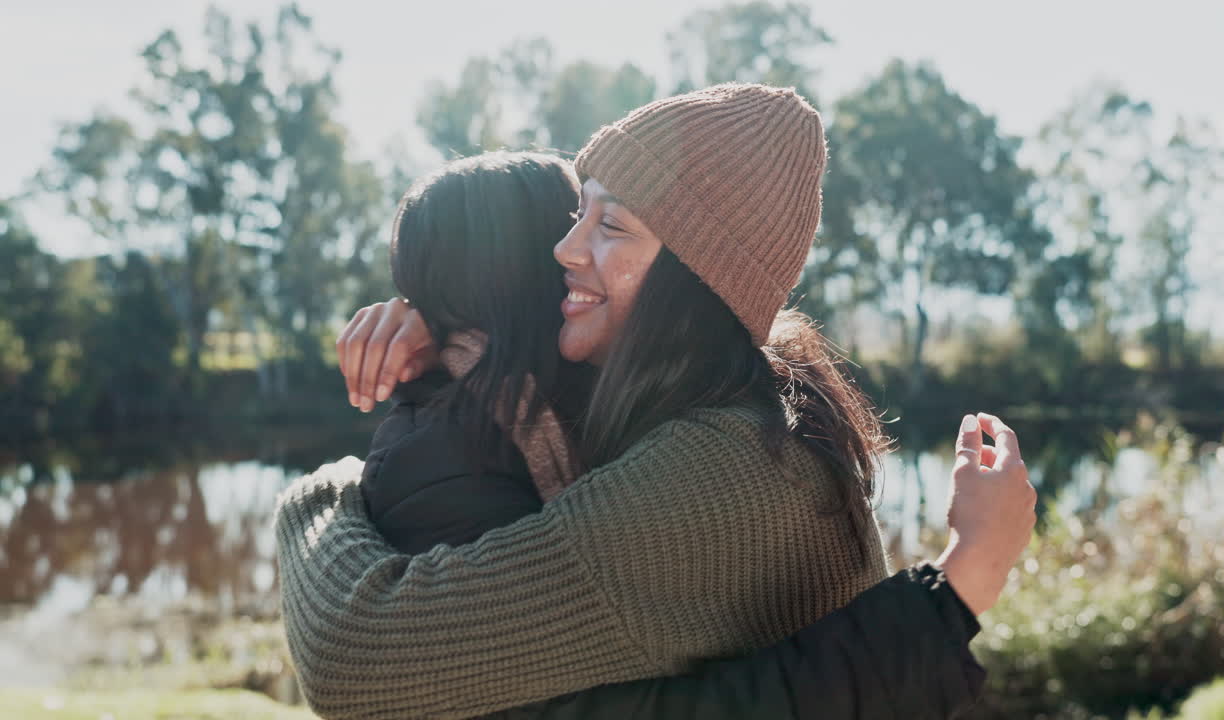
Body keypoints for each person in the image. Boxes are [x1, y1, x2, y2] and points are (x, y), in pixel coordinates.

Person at [275, 85, 1037, 720]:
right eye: (579, 212)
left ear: (694, 282)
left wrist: (319, 497)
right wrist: (449, 329)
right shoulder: (751, 412)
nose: (564, 250)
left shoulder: (711, 474)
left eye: (610, 225)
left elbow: (356, 657)